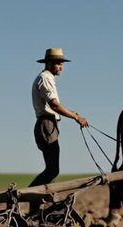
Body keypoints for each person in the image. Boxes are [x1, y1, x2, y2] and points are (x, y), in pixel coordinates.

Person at [29, 48, 89, 194]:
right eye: (59, 63)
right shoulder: (46, 78)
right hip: (47, 125)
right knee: (52, 169)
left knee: (52, 169)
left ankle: (36, 199)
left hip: (49, 124)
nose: (62, 67)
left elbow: (55, 105)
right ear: (49, 63)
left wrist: (71, 112)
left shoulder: (46, 78)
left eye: (62, 63)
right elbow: (54, 105)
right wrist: (76, 117)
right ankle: (31, 195)